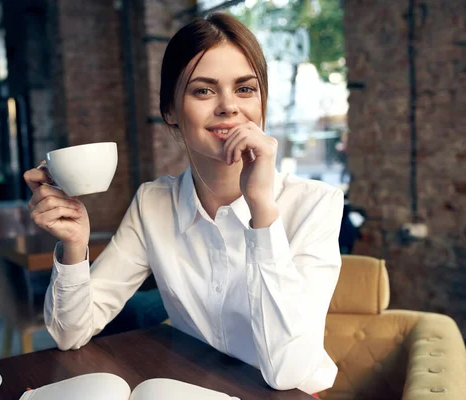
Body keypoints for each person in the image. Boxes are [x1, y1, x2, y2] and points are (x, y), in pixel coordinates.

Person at [24, 13, 343, 396]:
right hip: (197, 384)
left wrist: (262, 212)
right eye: (203, 91)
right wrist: (75, 246)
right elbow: (70, 332)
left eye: (245, 89)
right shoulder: (152, 203)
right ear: (171, 112)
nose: (228, 107)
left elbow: (287, 373)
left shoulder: (315, 204)